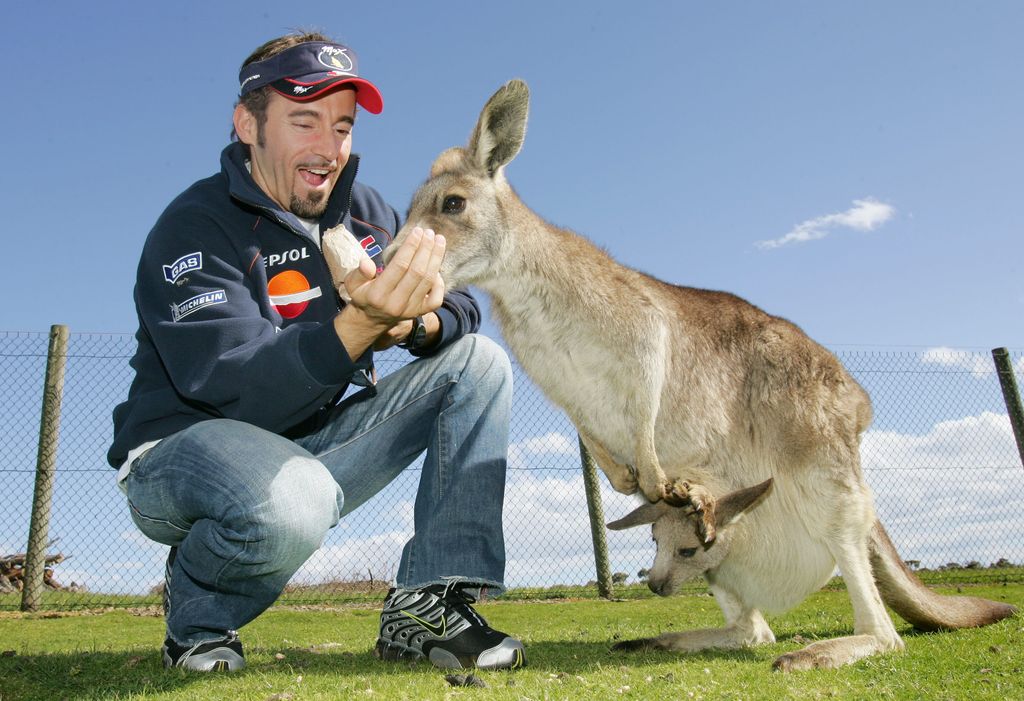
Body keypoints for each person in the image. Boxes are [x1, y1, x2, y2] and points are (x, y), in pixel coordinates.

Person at [107, 31, 525, 673]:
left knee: (479, 366)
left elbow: (456, 298)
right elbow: (233, 386)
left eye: (342, 125)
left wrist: (412, 328)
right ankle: (199, 611)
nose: (329, 148)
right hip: (182, 451)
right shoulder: (195, 225)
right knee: (288, 501)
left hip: (303, 444)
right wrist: (363, 324)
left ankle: (429, 601)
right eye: (304, 121)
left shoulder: (365, 212)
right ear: (249, 123)